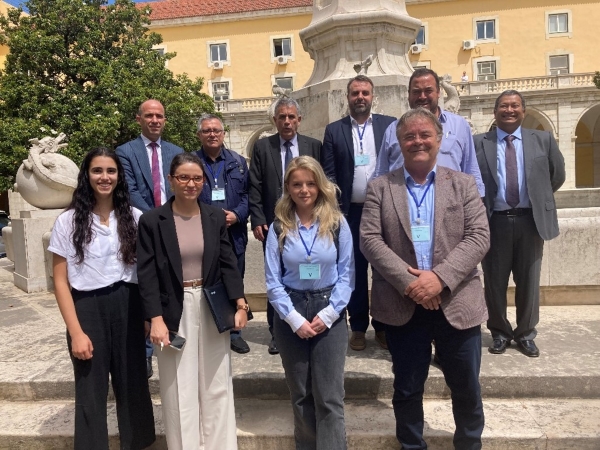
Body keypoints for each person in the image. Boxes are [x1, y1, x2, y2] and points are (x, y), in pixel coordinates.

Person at [360, 108, 490, 449]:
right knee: (406, 388)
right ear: (399, 143)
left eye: (424, 135)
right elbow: (370, 240)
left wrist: (439, 279)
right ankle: (412, 445)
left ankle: (469, 444)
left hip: (457, 302)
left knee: (465, 387)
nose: (417, 141)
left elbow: (479, 236)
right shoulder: (380, 188)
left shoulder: (462, 184)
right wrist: (414, 284)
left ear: (439, 139)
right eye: (409, 136)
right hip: (403, 305)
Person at [136, 152, 249, 450]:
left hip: (211, 304)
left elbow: (228, 263)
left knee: (217, 383)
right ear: (171, 180)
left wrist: (240, 304)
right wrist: (155, 319)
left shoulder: (213, 216)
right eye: (183, 177)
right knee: (178, 387)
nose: (191, 183)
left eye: (197, 178)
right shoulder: (151, 221)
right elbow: (146, 274)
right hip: (173, 308)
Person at [48, 147, 155, 450]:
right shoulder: (67, 222)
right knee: (90, 390)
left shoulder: (135, 217)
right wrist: (77, 332)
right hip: (88, 308)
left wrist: (148, 315)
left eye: (111, 171)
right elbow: (59, 280)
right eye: (97, 171)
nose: (104, 177)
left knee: (133, 384)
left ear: (120, 177)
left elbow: (146, 273)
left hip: (129, 304)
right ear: (87, 176)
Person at [265, 155, 354, 450]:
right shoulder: (279, 227)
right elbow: (272, 280)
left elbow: (347, 274)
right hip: (291, 310)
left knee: (329, 396)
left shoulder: (337, 223)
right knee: (301, 393)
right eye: (297, 184)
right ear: (288, 188)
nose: (304, 189)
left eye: (310, 183)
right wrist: (293, 319)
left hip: (329, 307)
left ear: (320, 186)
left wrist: (329, 314)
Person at [474, 90, 565, 357]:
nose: (509, 110)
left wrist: (537, 198)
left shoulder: (543, 140)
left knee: (529, 280)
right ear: (495, 112)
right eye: (504, 106)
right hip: (494, 223)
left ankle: (526, 333)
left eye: (515, 106)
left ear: (523, 111)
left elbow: (556, 175)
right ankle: (500, 333)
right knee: (494, 282)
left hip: (530, 222)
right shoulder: (480, 142)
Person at [321, 75, 395, 351]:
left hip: (382, 211)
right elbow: (328, 173)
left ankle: (384, 326)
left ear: (372, 96)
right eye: (355, 93)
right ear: (347, 97)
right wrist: (335, 213)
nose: (360, 97)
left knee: (384, 270)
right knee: (354, 270)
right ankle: (359, 327)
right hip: (349, 213)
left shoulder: (389, 125)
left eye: (365, 92)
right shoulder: (334, 130)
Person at [249, 97, 322, 355]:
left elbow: (322, 184)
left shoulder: (314, 146)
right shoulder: (262, 147)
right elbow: (255, 185)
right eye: (282, 117)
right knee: (277, 277)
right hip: (274, 225)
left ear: (299, 120)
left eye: (291, 117)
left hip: (309, 222)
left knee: (308, 272)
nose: (287, 121)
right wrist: (257, 219)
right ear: (275, 120)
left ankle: (312, 321)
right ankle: (277, 332)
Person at [116, 99, 183, 377]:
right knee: (146, 286)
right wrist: (158, 220)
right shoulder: (125, 152)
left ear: (165, 120)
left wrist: (170, 221)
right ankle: (144, 353)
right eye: (149, 116)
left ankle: (175, 340)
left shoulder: (176, 151)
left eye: (160, 116)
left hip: (175, 230)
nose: (155, 120)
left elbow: (181, 188)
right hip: (141, 229)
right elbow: (130, 190)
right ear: (139, 119)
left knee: (171, 285)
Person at [374, 68, 485, 198]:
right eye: (416, 92)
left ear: (438, 92)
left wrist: (476, 206)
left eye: (428, 91)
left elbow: (471, 169)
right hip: (403, 208)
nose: (422, 97)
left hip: (451, 206)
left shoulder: (460, 126)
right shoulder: (393, 129)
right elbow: (381, 173)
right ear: (408, 94)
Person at [195, 113, 251, 354]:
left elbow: (250, 194)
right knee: (205, 280)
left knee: (235, 279)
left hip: (234, 234)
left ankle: (234, 331)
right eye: (207, 131)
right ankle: (209, 328)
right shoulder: (191, 162)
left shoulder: (238, 162)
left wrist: (237, 214)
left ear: (223, 133)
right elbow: (184, 195)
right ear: (199, 135)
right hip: (202, 233)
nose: (212, 134)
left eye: (216, 130)